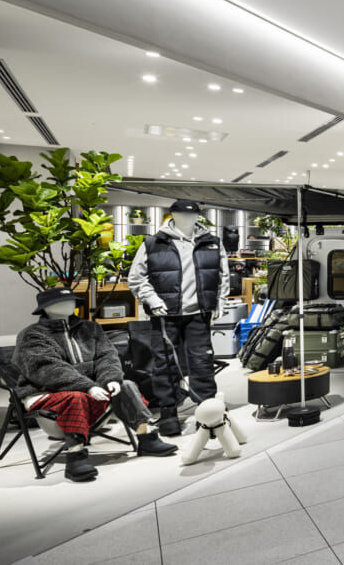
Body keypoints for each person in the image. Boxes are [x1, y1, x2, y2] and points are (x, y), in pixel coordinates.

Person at [12, 288, 177, 482]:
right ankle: (75, 454)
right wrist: (87, 386)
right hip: (45, 392)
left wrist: (110, 379)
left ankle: (147, 437)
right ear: (46, 308)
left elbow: (107, 356)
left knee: (126, 385)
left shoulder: (90, 328)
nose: (69, 305)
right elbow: (48, 369)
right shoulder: (32, 335)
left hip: (92, 388)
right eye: (61, 302)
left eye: (72, 301)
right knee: (75, 397)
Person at [128, 199, 229, 435]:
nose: (188, 219)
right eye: (182, 214)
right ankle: (168, 413)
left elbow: (222, 276)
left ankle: (208, 411)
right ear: (172, 215)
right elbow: (136, 277)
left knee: (202, 362)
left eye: (193, 215)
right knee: (164, 363)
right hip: (166, 314)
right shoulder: (154, 243)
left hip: (199, 313)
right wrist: (152, 299)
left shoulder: (212, 243)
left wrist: (220, 301)